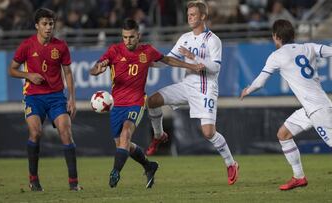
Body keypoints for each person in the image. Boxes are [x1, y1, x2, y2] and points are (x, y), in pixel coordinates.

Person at [90, 18, 204, 188]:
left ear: (139, 35)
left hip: (136, 102)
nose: (128, 41)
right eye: (125, 37)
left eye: (131, 37)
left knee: (126, 135)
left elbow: (167, 60)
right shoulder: (114, 50)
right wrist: (96, 70)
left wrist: (192, 66)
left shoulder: (147, 51)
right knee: (123, 145)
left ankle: (115, 172)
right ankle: (149, 166)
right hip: (116, 105)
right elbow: (95, 68)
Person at [146, 0, 239, 185]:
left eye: (193, 14)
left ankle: (231, 163)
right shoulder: (185, 38)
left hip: (205, 88)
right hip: (187, 85)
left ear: (203, 16)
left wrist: (193, 57)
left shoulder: (213, 40)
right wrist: (149, 62)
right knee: (152, 101)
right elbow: (169, 60)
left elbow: (215, 68)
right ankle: (158, 135)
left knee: (208, 132)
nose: (189, 17)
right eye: (188, 14)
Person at [240, 19, 332, 190]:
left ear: (275, 37)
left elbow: (260, 83)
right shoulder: (309, 47)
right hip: (312, 108)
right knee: (283, 134)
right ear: (293, 35)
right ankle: (299, 177)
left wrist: (247, 90)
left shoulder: (277, 56)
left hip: (319, 111)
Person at [8, 8, 82, 191]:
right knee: (35, 132)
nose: (48, 28)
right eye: (44, 24)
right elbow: (12, 70)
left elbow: (68, 73)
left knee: (66, 131)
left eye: (51, 24)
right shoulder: (26, 46)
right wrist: (29, 75)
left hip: (56, 97)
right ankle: (34, 180)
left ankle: (74, 183)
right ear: (36, 26)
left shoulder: (61, 46)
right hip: (33, 97)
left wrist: (72, 99)